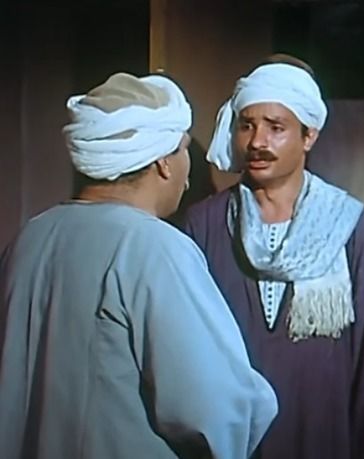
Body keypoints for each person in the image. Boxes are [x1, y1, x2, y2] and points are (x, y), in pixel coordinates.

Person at [0, 72, 277, 459]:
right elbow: (215, 409)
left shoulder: (30, 238)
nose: (188, 174)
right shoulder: (155, 248)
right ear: (164, 162)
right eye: (184, 150)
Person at [183, 57, 364, 459]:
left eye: (275, 127)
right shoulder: (204, 225)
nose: (257, 142)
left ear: (309, 136)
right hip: (233, 442)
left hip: (325, 437)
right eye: (247, 125)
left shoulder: (349, 226)